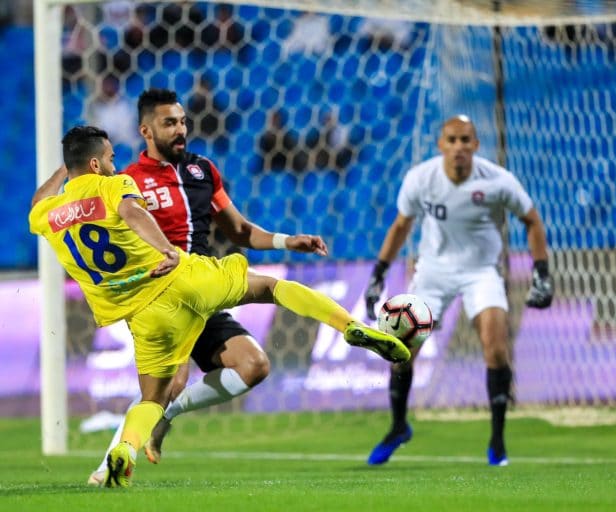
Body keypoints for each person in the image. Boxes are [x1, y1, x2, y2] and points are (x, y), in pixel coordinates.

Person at [30, 126, 410, 488]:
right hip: (181, 279)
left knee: (153, 399)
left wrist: (66, 169)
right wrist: (166, 249)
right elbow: (133, 212)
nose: (115, 165)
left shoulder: (47, 214)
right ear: (96, 163)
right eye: (110, 158)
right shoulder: (115, 185)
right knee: (271, 287)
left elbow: (38, 201)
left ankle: (124, 451)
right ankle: (349, 326)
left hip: (145, 316)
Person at [363, 115, 554, 467]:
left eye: (465, 140)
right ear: (441, 145)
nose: (458, 147)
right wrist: (378, 274)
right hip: (433, 272)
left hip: (481, 271)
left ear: (475, 145)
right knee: (401, 351)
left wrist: (541, 272)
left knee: (496, 348)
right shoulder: (420, 179)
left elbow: (532, 220)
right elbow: (401, 225)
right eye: (451, 140)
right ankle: (398, 427)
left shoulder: (498, 180)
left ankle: (497, 442)